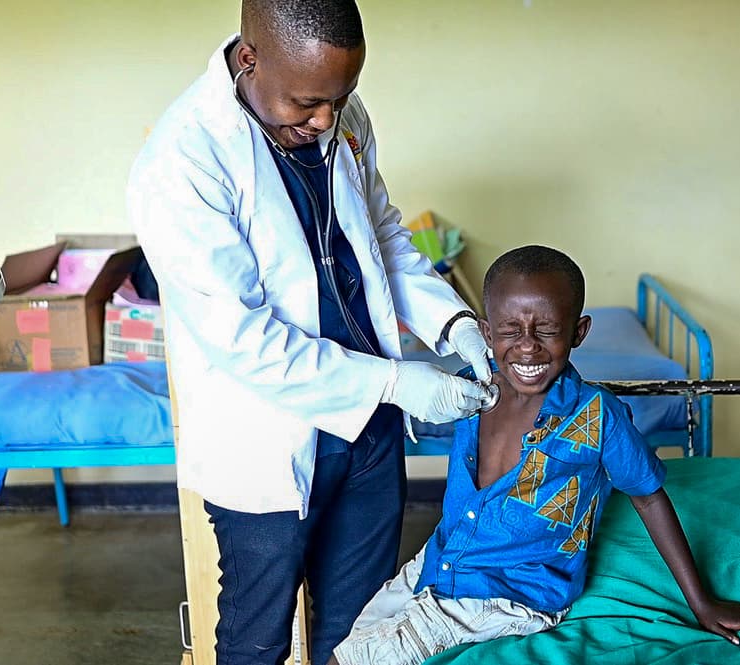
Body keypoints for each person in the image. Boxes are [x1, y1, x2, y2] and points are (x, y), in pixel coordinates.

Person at [126, 1, 494, 663]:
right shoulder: (183, 159)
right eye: (307, 103)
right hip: (267, 436)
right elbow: (244, 338)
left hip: (370, 433)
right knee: (256, 636)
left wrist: (455, 322)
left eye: (341, 96)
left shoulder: (341, 116)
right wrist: (396, 379)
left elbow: (383, 237)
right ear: (249, 59)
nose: (327, 119)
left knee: (359, 633)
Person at [330, 245, 740, 664]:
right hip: (440, 560)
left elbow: (649, 497)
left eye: (547, 330)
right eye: (511, 329)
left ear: (579, 331)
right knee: (351, 640)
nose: (528, 345)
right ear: (486, 333)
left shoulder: (596, 417)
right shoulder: (471, 390)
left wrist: (702, 602)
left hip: (506, 595)